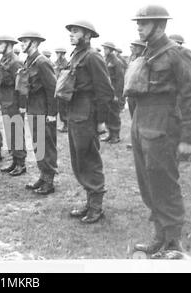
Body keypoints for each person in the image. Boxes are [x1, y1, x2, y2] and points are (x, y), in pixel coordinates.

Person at [127, 5, 191, 255]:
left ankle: (173, 243)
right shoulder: (145, 53)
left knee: (164, 183)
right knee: (148, 183)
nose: (138, 26)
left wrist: (188, 139)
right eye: (138, 22)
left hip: (162, 123)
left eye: (144, 23)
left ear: (160, 26)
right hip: (141, 122)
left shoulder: (177, 55)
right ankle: (159, 236)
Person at [64, 20, 113, 223]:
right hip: (74, 111)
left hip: (87, 113)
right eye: (71, 31)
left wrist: (101, 121)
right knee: (78, 161)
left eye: (75, 31)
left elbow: (105, 91)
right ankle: (89, 202)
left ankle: (96, 207)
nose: (71, 34)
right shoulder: (76, 55)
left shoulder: (93, 57)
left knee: (90, 160)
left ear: (88, 35)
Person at [18, 31, 57, 196]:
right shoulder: (30, 61)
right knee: (38, 145)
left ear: (33, 43)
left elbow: (52, 88)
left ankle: (49, 181)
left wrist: (52, 113)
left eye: (24, 41)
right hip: (34, 109)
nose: (21, 44)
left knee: (46, 146)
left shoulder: (42, 62)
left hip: (43, 111)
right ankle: (43, 176)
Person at [0, 35, 27, 176]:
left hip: (15, 103)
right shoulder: (4, 61)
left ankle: (21, 163)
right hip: (6, 102)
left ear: (8, 45)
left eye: (0, 44)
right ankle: (15, 161)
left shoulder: (15, 62)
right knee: (10, 133)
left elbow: (22, 85)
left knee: (17, 133)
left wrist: (22, 105)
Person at [100, 42, 125, 144]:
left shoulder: (116, 61)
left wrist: (117, 94)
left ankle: (116, 136)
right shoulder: (106, 60)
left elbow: (120, 79)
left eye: (106, 49)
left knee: (114, 114)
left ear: (110, 50)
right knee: (108, 114)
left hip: (114, 92)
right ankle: (110, 134)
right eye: (104, 48)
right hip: (107, 92)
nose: (104, 51)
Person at [54, 47, 69, 133]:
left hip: (64, 87)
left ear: (63, 54)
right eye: (57, 53)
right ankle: (64, 123)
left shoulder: (66, 63)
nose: (57, 55)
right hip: (58, 86)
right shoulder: (56, 63)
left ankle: (66, 124)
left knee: (64, 106)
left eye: (59, 53)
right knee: (60, 107)